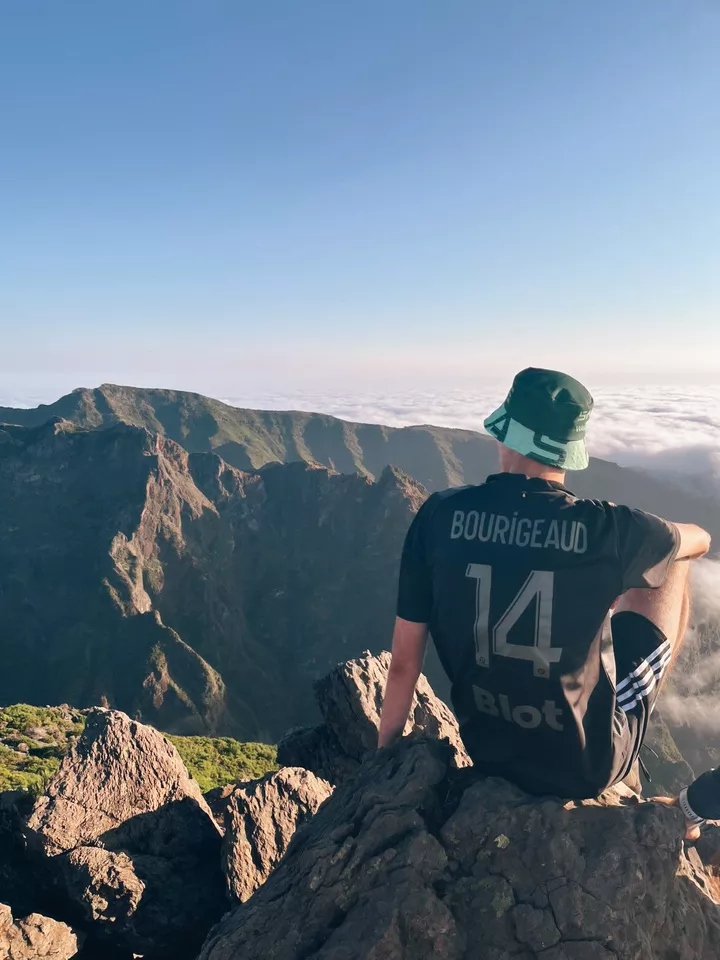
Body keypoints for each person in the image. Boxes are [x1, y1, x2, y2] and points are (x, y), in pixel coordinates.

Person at [378, 367, 711, 799]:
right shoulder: (608, 528)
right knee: (670, 559)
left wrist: (382, 763)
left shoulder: (437, 516)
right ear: (571, 451)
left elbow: (404, 664)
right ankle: (628, 703)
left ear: (505, 435)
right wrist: (638, 542)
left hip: (488, 750)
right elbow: (700, 539)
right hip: (585, 766)